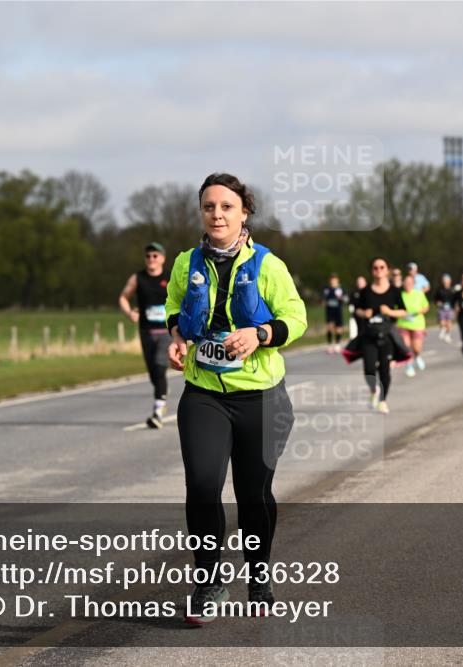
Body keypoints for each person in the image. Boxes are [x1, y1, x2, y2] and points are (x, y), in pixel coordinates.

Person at [164, 173, 307, 624]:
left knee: (253, 494)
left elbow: (296, 319)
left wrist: (260, 334)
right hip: (204, 394)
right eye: (209, 207)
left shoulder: (268, 265)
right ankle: (207, 583)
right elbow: (174, 306)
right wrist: (175, 338)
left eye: (226, 206)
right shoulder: (186, 262)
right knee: (203, 487)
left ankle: (259, 575)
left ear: (244, 211)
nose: (217, 214)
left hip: (261, 397)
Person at [343, 257, 411, 414]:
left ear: (387, 270)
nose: (379, 270)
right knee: (368, 369)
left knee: (385, 370)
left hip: (386, 335)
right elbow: (357, 309)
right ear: (372, 271)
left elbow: (403, 311)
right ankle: (374, 391)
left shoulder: (394, 291)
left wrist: (390, 312)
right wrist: (364, 313)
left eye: (382, 267)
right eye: (375, 268)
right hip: (369, 335)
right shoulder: (366, 291)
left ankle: (383, 400)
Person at [119, 242, 171, 428]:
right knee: (153, 374)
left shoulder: (170, 277)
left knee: (159, 366)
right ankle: (162, 394)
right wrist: (129, 313)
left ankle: (158, 410)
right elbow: (124, 297)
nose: (151, 259)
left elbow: (182, 298)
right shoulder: (138, 278)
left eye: (155, 256)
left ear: (162, 259)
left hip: (166, 332)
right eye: (148, 256)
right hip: (146, 332)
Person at [398, 273, 430, 377]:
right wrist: (402, 313)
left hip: (417, 324)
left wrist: (418, 312)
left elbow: (426, 307)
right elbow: (394, 309)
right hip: (403, 324)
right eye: (406, 282)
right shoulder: (399, 295)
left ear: (413, 284)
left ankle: (417, 356)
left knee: (416, 348)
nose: (408, 284)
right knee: (406, 347)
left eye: (410, 282)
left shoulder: (419, 294)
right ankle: (409, 365)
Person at [322, 273, 346, 354]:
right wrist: (325, 303)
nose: (333, 281)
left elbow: (345, 299)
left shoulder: (340, 289)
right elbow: (324, 300)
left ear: (337, 280)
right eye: (332, 280)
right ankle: (329, 345)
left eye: (334, 280)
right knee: (329, 327)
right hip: (329, 311)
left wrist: (341, 298)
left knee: (338, 328)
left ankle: (337, 344)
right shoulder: (327, 289)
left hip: (338, 310)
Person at [434, 273, 457, 343]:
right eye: (444, 280)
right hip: (442, 308)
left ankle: (448, 334)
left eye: (447, 280)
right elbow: (435, 299)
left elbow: (456, 299)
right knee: (442, 322)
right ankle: (443, 330)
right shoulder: (439, 290)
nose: (445, 282)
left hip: (450, 308)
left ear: (449, 281)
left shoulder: (453, 289)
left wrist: (455, 307)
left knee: (449, 322)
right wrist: (438, 303)